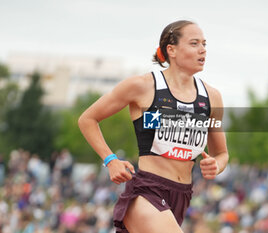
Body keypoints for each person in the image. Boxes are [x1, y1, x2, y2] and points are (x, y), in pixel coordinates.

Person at [78, 20, 229, 233]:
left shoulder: (212, 97)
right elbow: (87, 119)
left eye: (204, 44)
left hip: (182, 195)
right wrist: (110, 160)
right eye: (194, 43)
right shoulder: (142, 86)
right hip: (147, 191)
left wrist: (217, 165)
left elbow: (221, 153)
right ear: (172, 50)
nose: (203, 49)